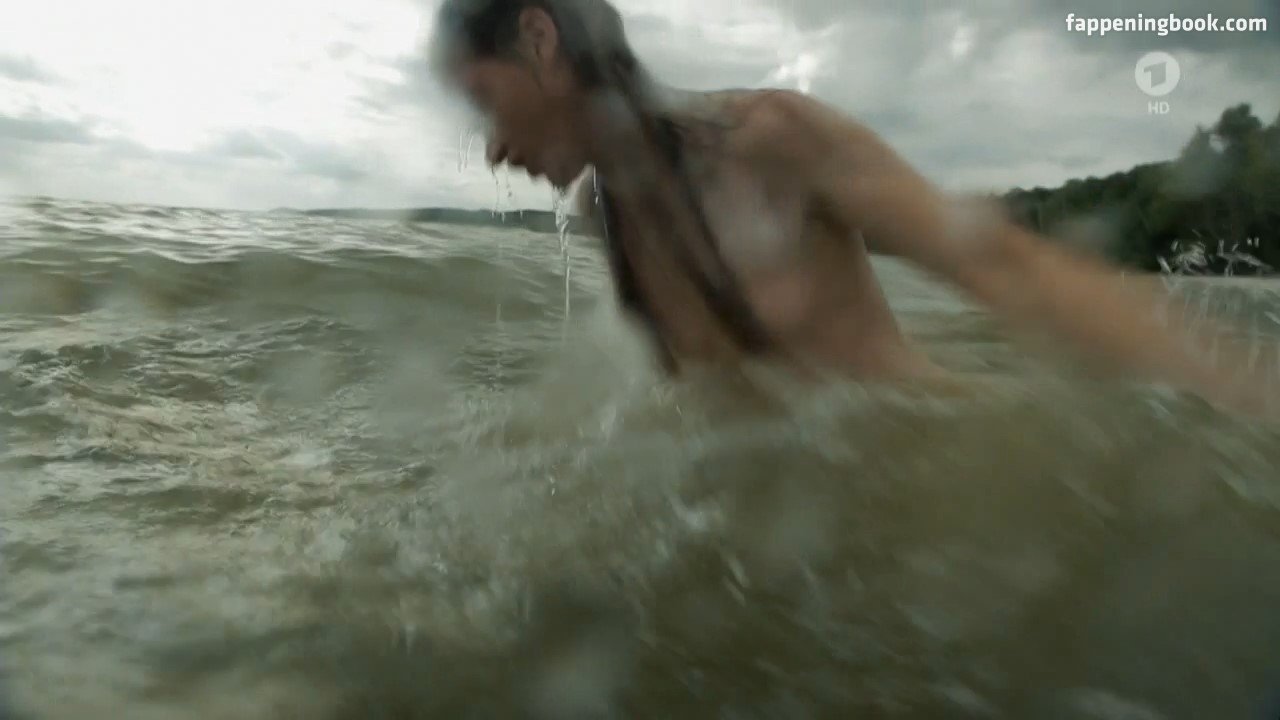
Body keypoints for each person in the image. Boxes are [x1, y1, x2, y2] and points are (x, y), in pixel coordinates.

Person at [430, 0, 1270, 416]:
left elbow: (1011, 271)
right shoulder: (600, 210)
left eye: (484, 102)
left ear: (540, 39)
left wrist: (1246, 396)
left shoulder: (769, 140)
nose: (493, 149)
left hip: (935, 481)